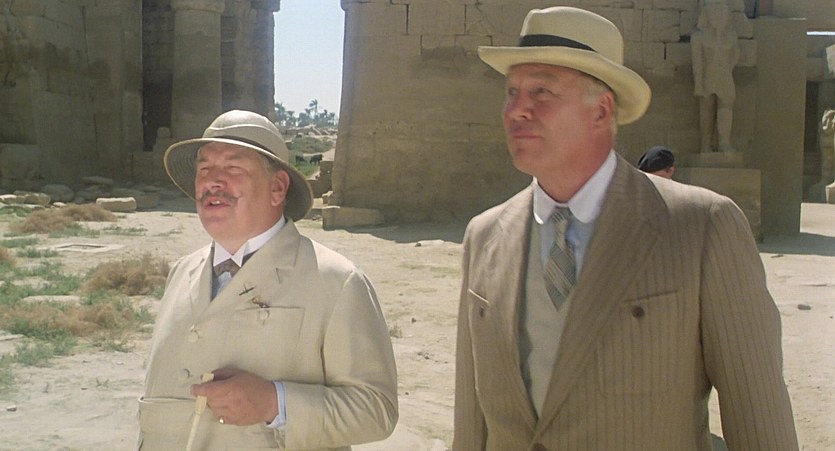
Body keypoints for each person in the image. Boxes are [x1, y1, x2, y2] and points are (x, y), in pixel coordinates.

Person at [454, 7, 798, 450]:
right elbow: (472, 427)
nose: (517, 110)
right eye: (512, 92)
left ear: (601, 110)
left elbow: (760, 421)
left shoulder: (702, 228)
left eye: (541, 91)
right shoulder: (483, 237)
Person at [138, 110, 398, 450]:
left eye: (233, 167)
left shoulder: (337, 282)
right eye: (204, 169)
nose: (213, 182)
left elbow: (376, 411)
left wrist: (274, 403)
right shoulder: (181, 272)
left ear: (277, 188)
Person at [691, 0, 739, 153]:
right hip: (708, 76)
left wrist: (724, 70)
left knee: (726, 108)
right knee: (707, 109)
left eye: (722, 13)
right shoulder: (699, 37)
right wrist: (699, 83)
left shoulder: (731, 36)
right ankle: (706, 144)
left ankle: (724, 142)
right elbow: (697, 63)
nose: (719, 17)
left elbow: (734, 58)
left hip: (725, 75)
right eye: (715, 13)